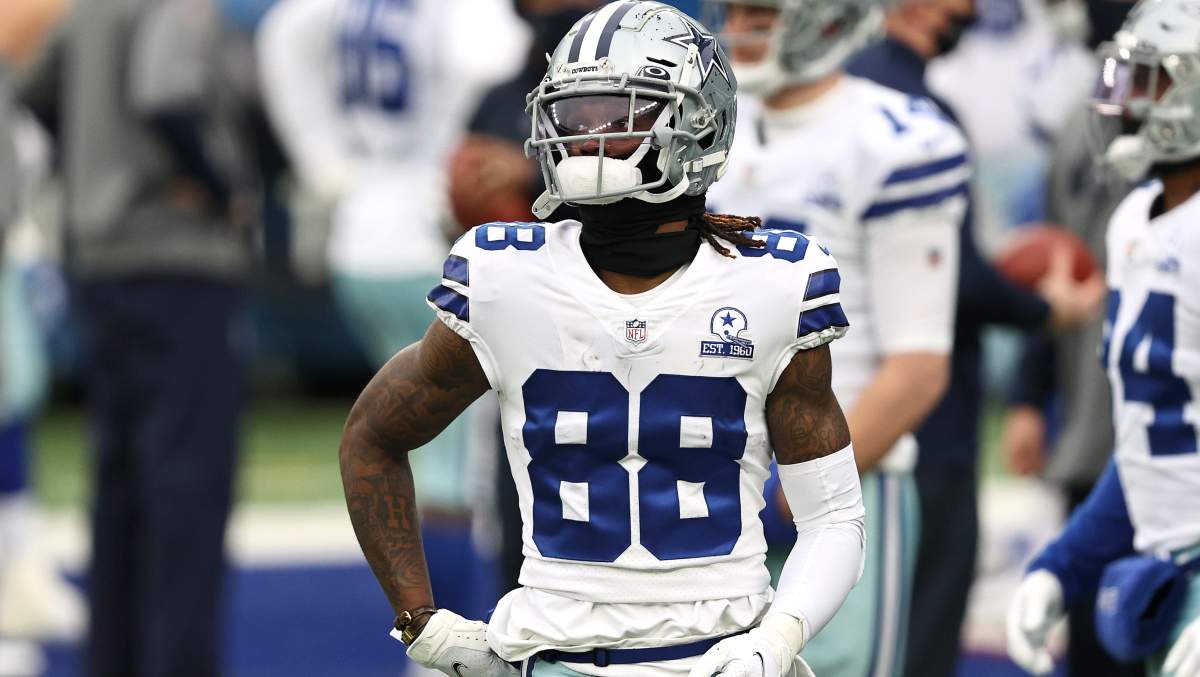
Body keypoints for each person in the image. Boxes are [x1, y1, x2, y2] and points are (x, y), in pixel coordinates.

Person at [340, 3, 866, 676]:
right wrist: (422, 622)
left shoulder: (772, 285)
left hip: (721, 657)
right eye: (574, 115)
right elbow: (372, 436)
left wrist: (779, 637)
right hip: (555, 657)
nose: (588, 139)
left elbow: (833, 517)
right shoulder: (504, 278)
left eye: (621, 115)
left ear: (699, 124)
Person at [702, 2, 963, 675]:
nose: (741, 27)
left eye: (762, 11)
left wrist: (799, 494)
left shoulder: (894, 138)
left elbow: (918, 366)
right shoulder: (704, 126)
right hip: (716, 476)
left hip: (842, 480)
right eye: (736, 10)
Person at [45, 0, 258, 674]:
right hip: (177, 258)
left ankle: (112, 659)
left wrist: (94, 169)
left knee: (121, 489)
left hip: (101, 260)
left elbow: (36, 85)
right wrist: (223, 188)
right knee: (187, 488)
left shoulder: (87, 10)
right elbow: (166, 90)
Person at [1007, 1, 1200, 675]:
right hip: (1162, 572)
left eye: (1153, 80)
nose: (1128, 98)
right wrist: (1063, 563)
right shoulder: (1135, 222)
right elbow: (1147, 444)